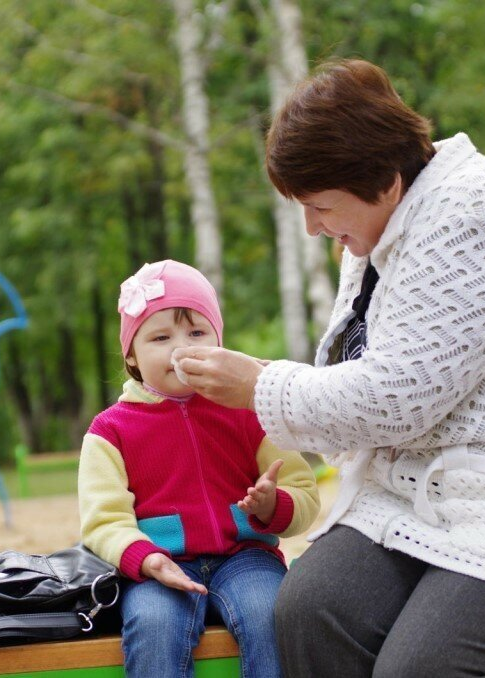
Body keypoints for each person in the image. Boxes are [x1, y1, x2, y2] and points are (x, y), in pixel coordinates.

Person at [172, 59, 485, 677]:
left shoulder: (471, 217)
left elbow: (394, 399)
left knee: (421, 668)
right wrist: (267, 382)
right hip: (430, 492)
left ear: (381, 180)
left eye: (320, 206)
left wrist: (259, 384)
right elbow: (370, 374)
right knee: (309, 609)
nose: (310, 227)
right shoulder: (384, 224)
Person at [79, 260, 320, 678]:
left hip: (247, 558)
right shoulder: (110, 431)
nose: (181, 348)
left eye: (196, 332)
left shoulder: (249, 409)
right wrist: (145, 559)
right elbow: (103, 522)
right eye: (160, 337)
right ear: (132, 356)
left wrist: (272, 505)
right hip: (160, 565)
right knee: (152, 626)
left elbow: (304, 494)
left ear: (218, 342)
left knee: (270, 614)